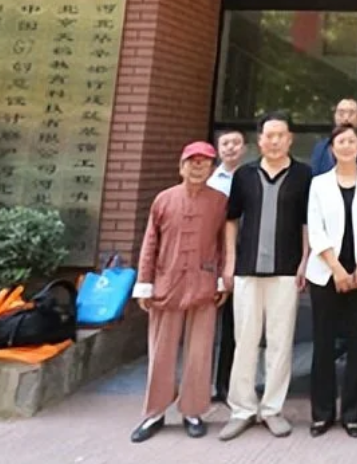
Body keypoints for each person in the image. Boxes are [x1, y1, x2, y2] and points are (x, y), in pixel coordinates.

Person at [220, 112, 312, 441]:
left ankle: (272, 409)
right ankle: (242, 409)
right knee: (244, 340)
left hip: (286, 270)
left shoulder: (303, 175)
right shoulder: (244, 175)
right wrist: (230, 261)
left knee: (280, 342)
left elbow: (306, 222)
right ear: (259, 140)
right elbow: (231, 219)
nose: (274, 141)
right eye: (268, 135)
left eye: (280, 135)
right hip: (246, 269)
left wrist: (305, 260)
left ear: (290, 139)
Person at [130, 142, 229, 443]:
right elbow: (150, 243)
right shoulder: (164, 199)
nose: (198, 168)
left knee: (200, 351)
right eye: (192, 162)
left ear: (212, 168)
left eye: (205, 163)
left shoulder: (220, 201)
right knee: (161, 350)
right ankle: (155, 412)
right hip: (166, 283)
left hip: (203, 284)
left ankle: (193, 411)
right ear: (181, 166)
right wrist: (145, 283)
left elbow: (225, 244)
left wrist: (222, 280)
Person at [304, 124, 357, 438]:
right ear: (331, 148)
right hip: (326, 273)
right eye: (341, 141)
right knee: (323, 344)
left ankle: (352, 414)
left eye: (352, 141)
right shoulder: (319, 183)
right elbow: (316, 229)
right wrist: (337, 270)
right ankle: (322, 414)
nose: (347, 146)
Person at [207, 129, 245, 404]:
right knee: (207, 325)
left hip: (242, 254)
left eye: (236, 143)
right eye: (225, 143)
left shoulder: (250, 177)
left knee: (234, 325)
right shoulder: (209, 181)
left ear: (244, 148)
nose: (231, 148)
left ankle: (225, 383)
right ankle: (202, 384)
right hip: (211, 256)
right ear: (218, 149)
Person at [310, 97, 357, 177]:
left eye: (351, 114)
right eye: (341, 113)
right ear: (335, 116)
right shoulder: (321, 146)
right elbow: (315, 175)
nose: (346, 118)